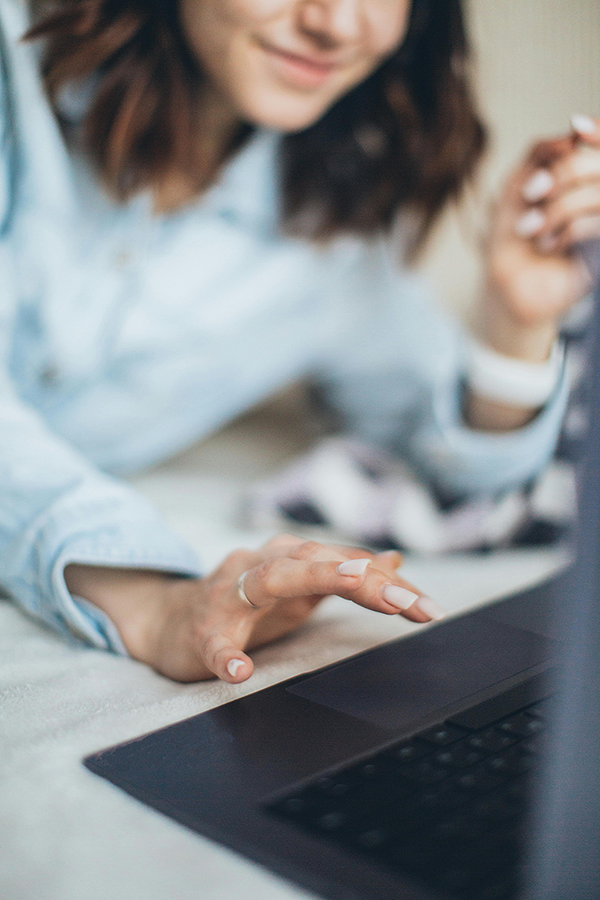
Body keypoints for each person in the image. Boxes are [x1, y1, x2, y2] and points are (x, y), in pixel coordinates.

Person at [0, 0, 598, 685]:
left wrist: (516, 318)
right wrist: (148, 598)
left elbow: (458, 473)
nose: (337, 24)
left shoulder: (335, 221)